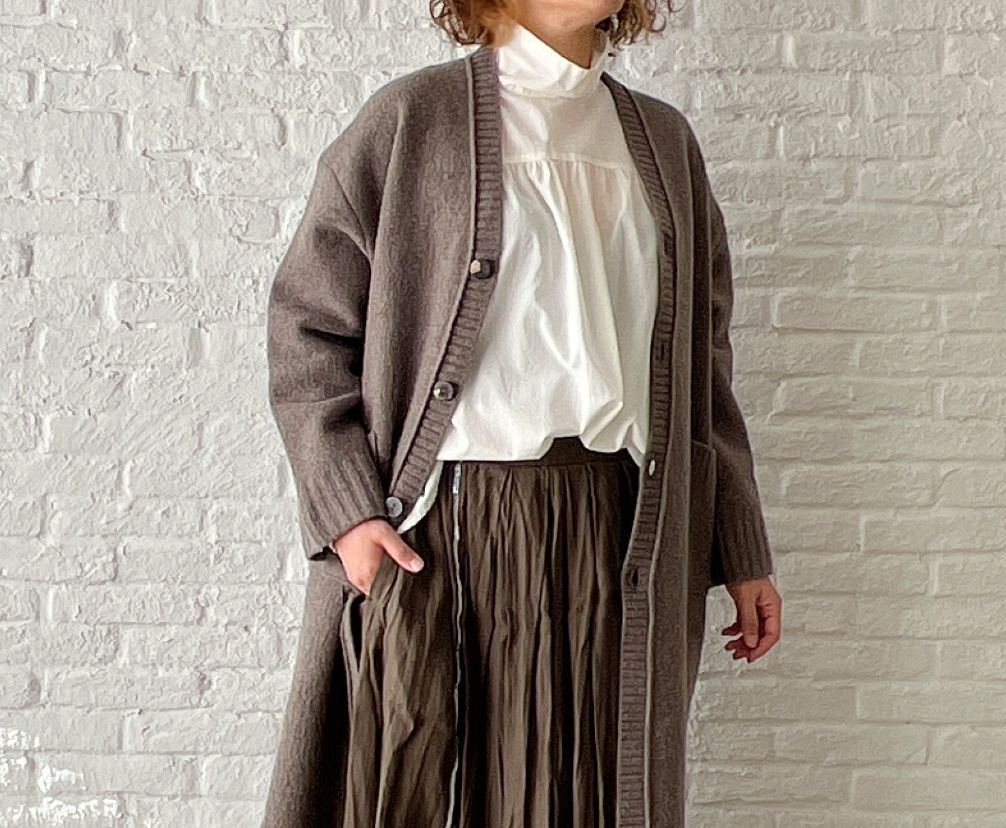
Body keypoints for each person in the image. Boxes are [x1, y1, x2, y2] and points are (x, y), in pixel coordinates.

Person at [262, 2, 784, 827]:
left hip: (616, 531)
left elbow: (703, 371)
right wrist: (351, 514)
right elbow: (307, 328)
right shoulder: (411, 120)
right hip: (442, 533)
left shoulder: (663, 141)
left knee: (588, 798)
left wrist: (740, 547)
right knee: (419, 792)